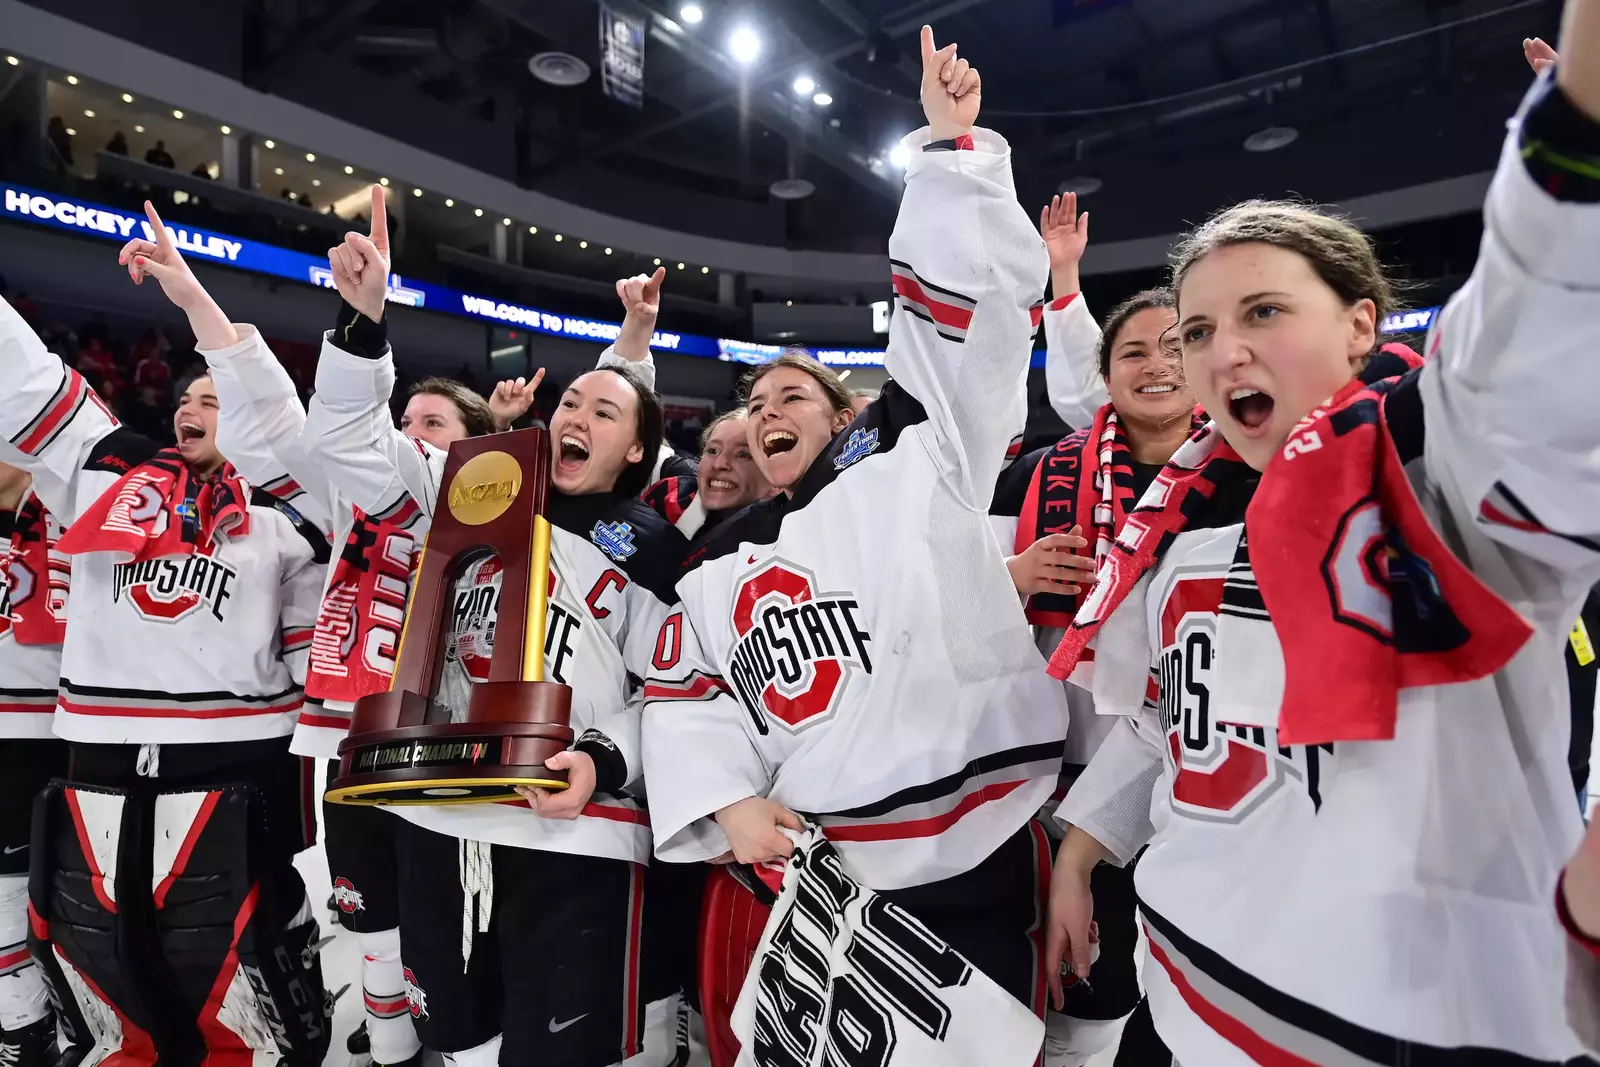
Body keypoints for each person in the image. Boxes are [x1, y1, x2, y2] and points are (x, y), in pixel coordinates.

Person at [1045, 5, 1600, 1058]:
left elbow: (1531, 342)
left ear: (1359, 322)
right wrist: (1080, 845)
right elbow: (1172, 724)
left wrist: (1571, 140)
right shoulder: (1190, 525)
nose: (1219, 351)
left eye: (1262, 312)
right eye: (1199, 328)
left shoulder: (1440, 472)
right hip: (1174, 1006)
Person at [642, 24, 1069, 1064]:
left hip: (970, 852)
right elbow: (681, 683)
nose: (764, 408)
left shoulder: (913, 461)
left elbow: (963, 336)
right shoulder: (717, 559)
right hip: (816, 874)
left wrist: (948, 154)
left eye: (794, 393)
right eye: (752, 400)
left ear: (845, 416)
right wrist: (728, 799)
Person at [296, 190, 689, 1067]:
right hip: (439, 812)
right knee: (463, 1050)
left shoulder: (653, 547)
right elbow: (351, 446)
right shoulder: (478, 487)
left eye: (602, 411)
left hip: (569, 832)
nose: (575, 417)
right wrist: (361, 325)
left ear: (638, 453)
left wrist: (605, 758)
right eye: (570, 402)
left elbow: (677, 695)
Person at [1, 242, 332, 1066]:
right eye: (188, 396)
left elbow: (282, 420)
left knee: (240, 996)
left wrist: (198, 307)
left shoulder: (289, 507)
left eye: (217, 399)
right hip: (96, 767)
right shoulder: (108, 471)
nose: (195, 405)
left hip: (235, 771)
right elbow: (28, 379)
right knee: (107, 990)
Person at [0, 460, 68, 1067]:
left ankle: (35, 1025)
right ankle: (21, 1023)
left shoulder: (75, 516)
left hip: (51, 734)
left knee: (37, 891)